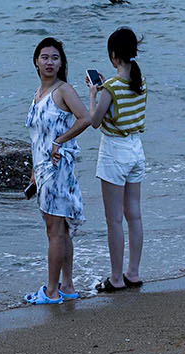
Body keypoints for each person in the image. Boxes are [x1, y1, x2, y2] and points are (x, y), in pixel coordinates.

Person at [23, 36, 95, 305]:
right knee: (59, 229)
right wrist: (33, 169)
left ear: (62, 62)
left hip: (57, 168)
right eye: (44, 57)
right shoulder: (38, 93)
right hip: (43, 169)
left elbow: (85, 118)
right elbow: (37, 138)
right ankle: (67, 286)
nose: (49, 62)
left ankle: (51, 291)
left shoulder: (63, 90)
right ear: (36, 62)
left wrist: (60, 141)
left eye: (55, 57)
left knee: (55, 231)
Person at [87, 26, 148, 293]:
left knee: (114, 219)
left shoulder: (110, 87)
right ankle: (133, 273)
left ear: (113, 55)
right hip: (136, 149)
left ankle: (115, 278)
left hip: (114, 151)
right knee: (133, 214)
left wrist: (93, 93)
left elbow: (95, 121)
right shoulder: (140, 80)